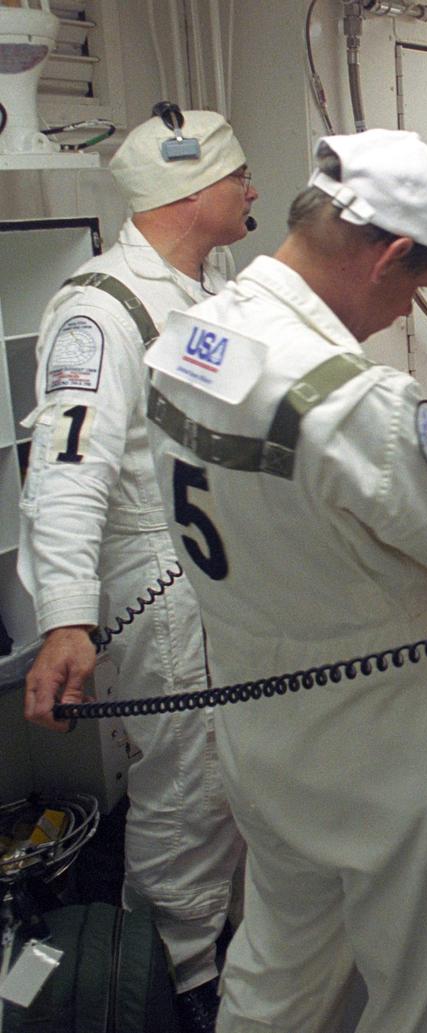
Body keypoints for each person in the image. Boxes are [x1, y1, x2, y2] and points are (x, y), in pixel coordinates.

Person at [142, 129, 427, 1033]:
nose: (405, 309)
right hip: (373, 731)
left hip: (254, 712)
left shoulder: (192, 332)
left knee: (283, 950)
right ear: (392, 255)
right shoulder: (352, 399)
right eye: (414, 287)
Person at [20, 106, 256, 1033]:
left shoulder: (214, 282)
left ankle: (221, 953)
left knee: (233, 779)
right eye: (237, 175)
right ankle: (172, 983)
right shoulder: (100, 308)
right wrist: (67, 619)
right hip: (156, 582)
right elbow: (66, 475)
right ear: (191, 193)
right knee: (187, 788)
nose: (251, 188)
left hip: (222, 568)